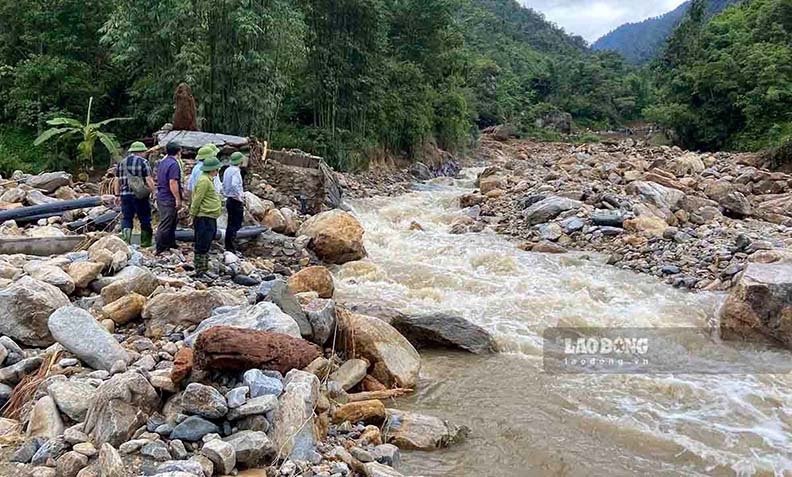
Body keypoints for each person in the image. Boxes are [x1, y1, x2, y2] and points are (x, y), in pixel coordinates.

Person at [115, 141, 155, 246]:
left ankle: (126, 241)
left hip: (125, 195)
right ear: (141, 152)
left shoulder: (121, 163)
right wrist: (154, 192)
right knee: (145, 218)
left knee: (127, 218)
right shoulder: (143, 162)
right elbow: (148, 179)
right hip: (140, 195)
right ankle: (145, 243)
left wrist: (117, 194)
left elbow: (117, 180)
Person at [189, 151, 223, 276]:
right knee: (202, 243)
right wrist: (192, 214)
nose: (217, 171)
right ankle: (200, 270)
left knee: (207, 240)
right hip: (204, 216)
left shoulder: (208, 179)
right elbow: (197, 199)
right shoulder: (204, 181)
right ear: (213, 169)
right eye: (217, 169)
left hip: (210, 216)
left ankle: (204, 269)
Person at [155, 141, 183, 255]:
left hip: (162, 194)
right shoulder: (174, 164)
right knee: (166, 222)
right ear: (179, 152)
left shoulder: (163, 162)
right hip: (168, 196)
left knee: (172, 221)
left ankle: (170, 243)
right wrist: (178, 198)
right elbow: (173, 182)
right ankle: (160, 247)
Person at [222, 152, 246, 253]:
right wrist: (240, 197)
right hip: (235, 200)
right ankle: (231, 246)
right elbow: (235, 185)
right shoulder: (236, 171)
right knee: (236, 224)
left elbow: (224, 184)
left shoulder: (227, 170)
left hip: (229, 199)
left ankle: (228, 245)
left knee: (230, 223)